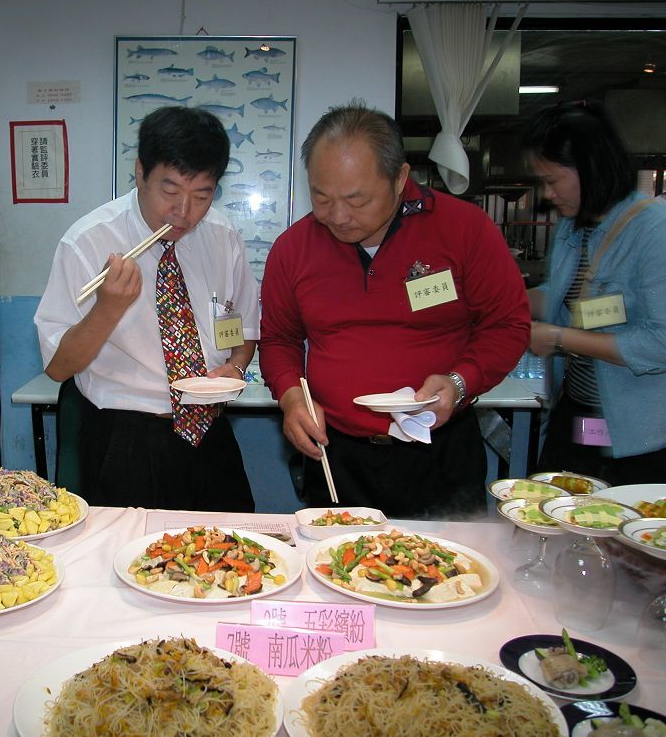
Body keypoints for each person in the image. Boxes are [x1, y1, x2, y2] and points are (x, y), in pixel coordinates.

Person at [260, 104, 530, 518]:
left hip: (439, 452)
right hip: (338, 454)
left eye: (356, 199)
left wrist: (460, 382)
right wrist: (292, 398)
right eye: (321, 197)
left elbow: (508, 325)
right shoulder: (293, 249)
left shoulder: (464, 229)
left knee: (444, 560)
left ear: (400, 178)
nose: (337, 216)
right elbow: (280, 339)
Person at [35, 106, 258, 511]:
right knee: (129, 550)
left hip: (211, 432)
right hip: (126, 440)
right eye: (170, 191)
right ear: (140, 171)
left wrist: (236, 368)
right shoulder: (87, 241)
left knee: (232, 544)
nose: (184, 212)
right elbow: (58, 367)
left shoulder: (222, 236)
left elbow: (242, 330)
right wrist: (107, 309)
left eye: (202, 195)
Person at [523, 100, 666, 484]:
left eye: (552, 181)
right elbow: (566, 298)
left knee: (619, 517)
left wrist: (559, 338)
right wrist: (504, 301)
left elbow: (661, 342)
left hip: (640, 433)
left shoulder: (654, 229)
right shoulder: (576, 226)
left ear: (588, 167)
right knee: (553, 506)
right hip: (579, 411)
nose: (548, 194)